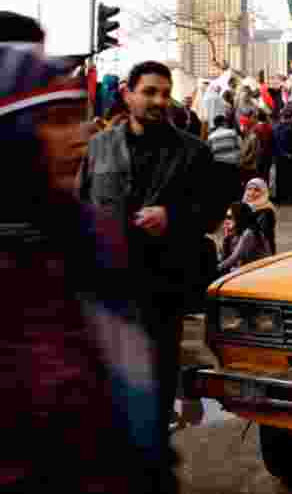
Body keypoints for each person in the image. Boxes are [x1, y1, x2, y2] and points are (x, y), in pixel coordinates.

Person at [0, 46, 177, 493]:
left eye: (74, 117)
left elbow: (132, 388)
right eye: (54, 121)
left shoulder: (90, 241)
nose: (76, 138)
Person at [79, 60, 220, 454]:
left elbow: (210, 213)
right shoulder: (99, 147)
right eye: (150, 92)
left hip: (162, 292)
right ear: (128, 94)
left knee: (155, 393)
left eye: (164, 92)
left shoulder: (194, 152)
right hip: (109, 288)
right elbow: (80, 205)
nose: (159, 100)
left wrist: (172, 217)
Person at [218, 202, 271, 273]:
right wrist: (226, 239)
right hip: (250, 270)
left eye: (229, 217)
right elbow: (223, 257)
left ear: (239, 217)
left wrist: (216, 269)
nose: (226, 221)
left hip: (260, 271)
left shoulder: (249, 233)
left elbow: (234, 258)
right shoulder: (237, 233)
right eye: (225, 218)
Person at [243, 178, 277, 256]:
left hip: (260, 252)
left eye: (256, 190)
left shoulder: (267, 209)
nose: (252, 193)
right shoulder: (243, 205)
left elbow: (262, 235)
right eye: (249, 189)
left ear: (263, 192)